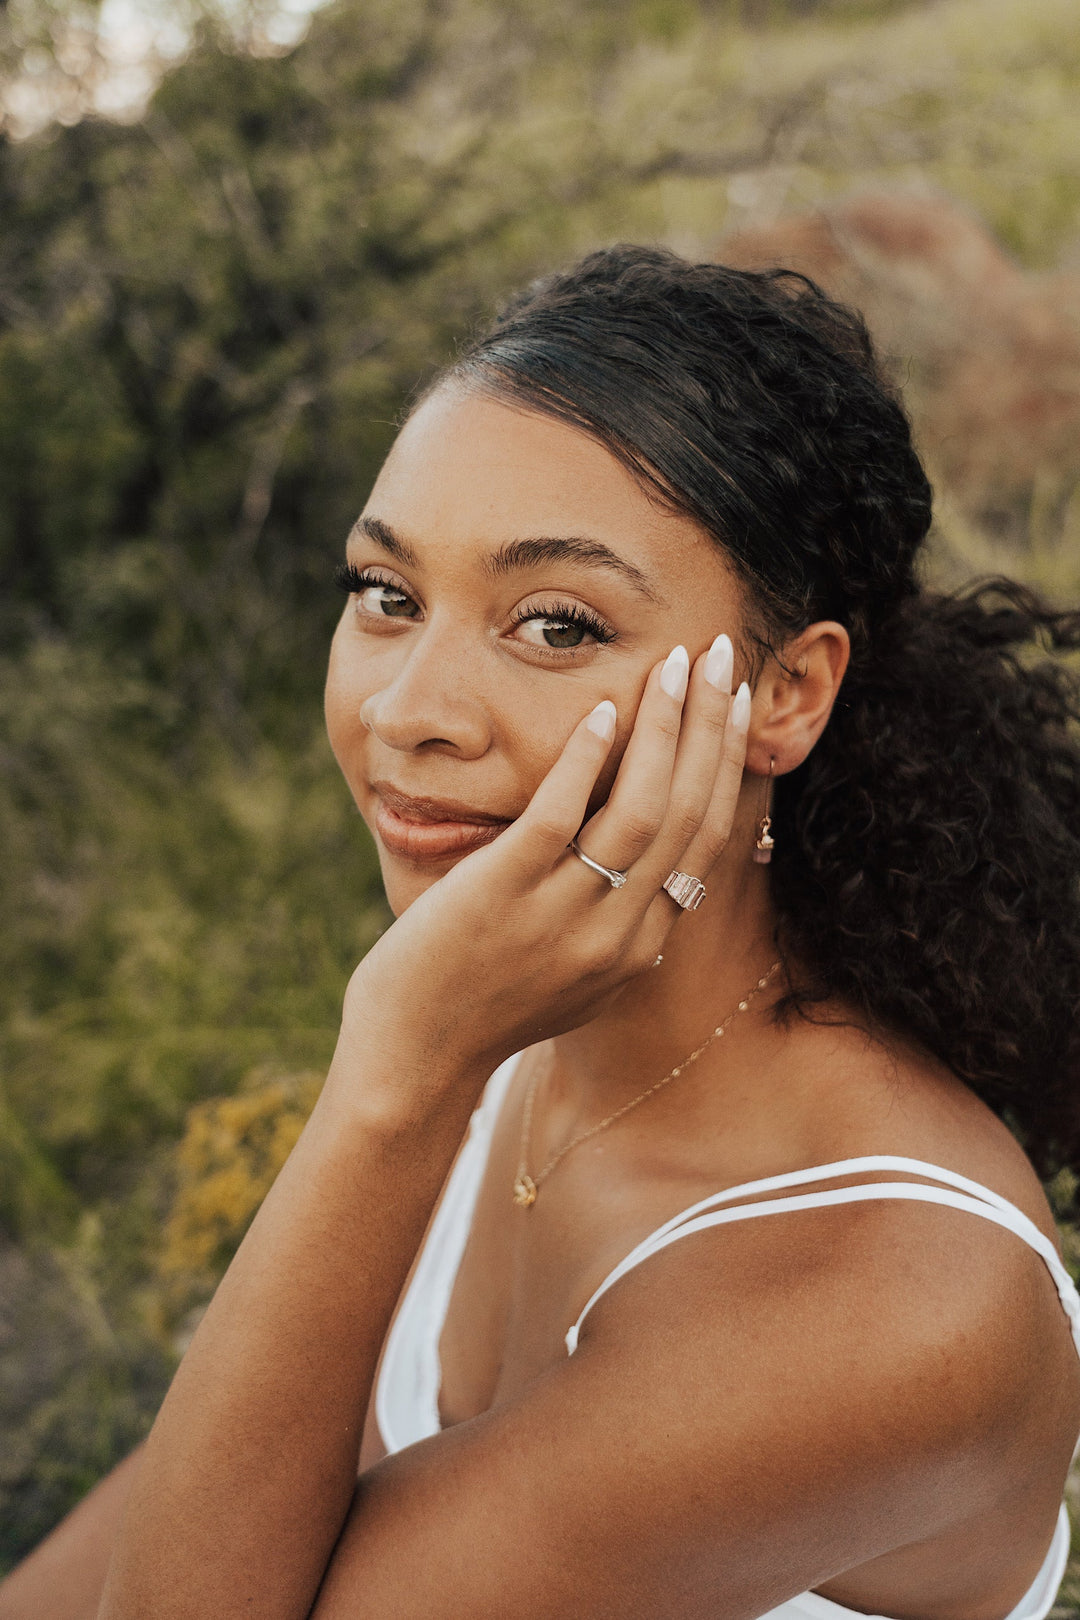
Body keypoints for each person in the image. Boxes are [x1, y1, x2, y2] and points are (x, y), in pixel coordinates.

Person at [4, 244, 1080, 1620]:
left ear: (787, 694)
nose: (409, 711)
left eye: (555, 624)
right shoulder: (519, 1018)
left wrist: (393, 1071)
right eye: (387, 597)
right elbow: (230, 1472)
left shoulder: (900, 1308)